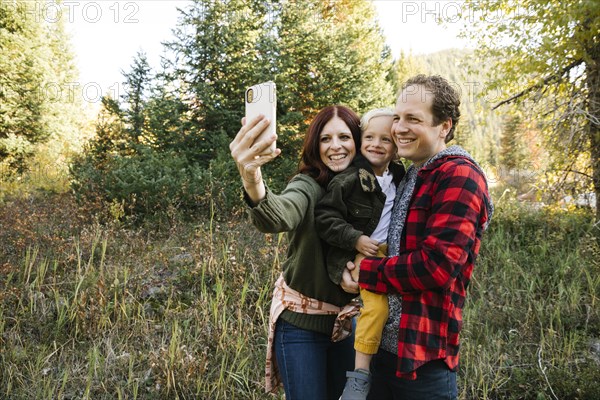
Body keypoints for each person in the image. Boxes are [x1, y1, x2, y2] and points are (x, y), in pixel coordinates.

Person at [344, 75, 494, 399]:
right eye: (398, 117)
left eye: (414, 118)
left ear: (444, 126)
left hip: (422, 363)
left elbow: (436, 265)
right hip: (381, 354)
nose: (399, 127)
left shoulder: (460, 174)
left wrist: (364, 274)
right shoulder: (412, 173)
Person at [229, 105, 363, 400]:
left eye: (345, 137)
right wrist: (252, 179)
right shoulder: (307, 186)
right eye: (326, 139)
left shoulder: (367, 190)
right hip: (301, 327)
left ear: (359, 141)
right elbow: (280, 215)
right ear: (315, 146)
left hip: (348, 325)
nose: (336, 146)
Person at [314, 108, 406, 400]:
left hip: (391, 256)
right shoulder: (351, 179)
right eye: (369, 137)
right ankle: (360, 377)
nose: (376, 144)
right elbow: (325, 217)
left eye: (385, 139)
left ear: (396, 147)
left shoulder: (400, 175)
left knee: (393, 311)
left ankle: (380, 366)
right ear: (360, 139)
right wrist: (355, 240)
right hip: (366, 254)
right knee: (377, 309)